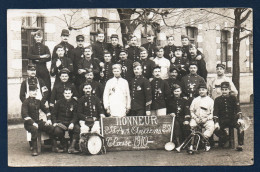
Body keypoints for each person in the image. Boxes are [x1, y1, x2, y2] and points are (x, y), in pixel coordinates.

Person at [21, 84, 54, 156]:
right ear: (29, 92)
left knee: (50, 127)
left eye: (36, 91)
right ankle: (34, 148)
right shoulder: (25, 102)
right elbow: (24, 115)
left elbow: (47, 110)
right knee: (34, 129)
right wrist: (33, 123)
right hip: (29, 124)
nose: (35, 92)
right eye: (33, 91)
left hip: (38, 122)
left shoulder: (38, 101)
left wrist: (49, 119)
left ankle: (53, 146)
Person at [213, 82, 244, 151]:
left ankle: (240, 144)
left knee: (241, 126)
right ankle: (226, 137)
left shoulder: (233, 98)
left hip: (232, 120)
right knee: (215, 129)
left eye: (226, 89)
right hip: (222, 120)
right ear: (221, 90)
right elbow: (215, 112)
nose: (224, 91)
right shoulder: (217, 100)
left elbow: (238, 109)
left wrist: (239, 118)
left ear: (229, 90)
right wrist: (216, 122)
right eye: (223, 89)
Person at [52, 87, 80, 154]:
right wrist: (55, 122)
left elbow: (76, 115)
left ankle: (72, 147)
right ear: (63, 94)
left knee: (77, 129)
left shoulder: (75, 103)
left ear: (71, 94)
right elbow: (53, 114)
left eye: (69, 93)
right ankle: (64, 144)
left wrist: (73, 123)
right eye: (66, 93)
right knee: (57, 131)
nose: (67, 95)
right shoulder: (58, 102)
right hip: (61, 122)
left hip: (70, 122)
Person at [189, 83, 214, 151]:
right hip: (196, 118)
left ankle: (204, 141)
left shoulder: (210, 101)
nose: (201, 91)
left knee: (211, 126)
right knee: (192, 125)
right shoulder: (195, 100)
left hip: (206, 119)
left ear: (206, 91)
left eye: (203, 90)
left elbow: (212, 113)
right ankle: (193, 143)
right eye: (200, 90)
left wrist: (206, 119)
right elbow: (191, 111)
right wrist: (195, 118)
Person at [27, 30, 51, 97]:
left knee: (47, 86)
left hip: (44, 70)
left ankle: (47, 103)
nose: (38, 38)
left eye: (39, 37)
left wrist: (37, 60)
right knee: (36, 86)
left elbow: (49, 57)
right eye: (37, 37)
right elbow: (29, 56)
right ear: (34, 38)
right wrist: (41, 56)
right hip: (35, 69)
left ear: (42, 38)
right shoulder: (32, 47)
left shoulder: (45, 47)